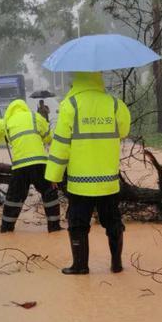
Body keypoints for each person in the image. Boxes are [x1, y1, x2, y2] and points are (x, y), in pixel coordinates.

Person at [45, 72, 130, 275]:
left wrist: (53, 176)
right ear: (98, 79)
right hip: (108, 181)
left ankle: (80, 266)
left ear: (78, 81)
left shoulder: (70, 105)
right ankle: (116, 264)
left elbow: (61, 145)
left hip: (80, 183)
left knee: (77, 223)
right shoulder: (116, 104)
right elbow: (124, 131)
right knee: (113, 221)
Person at [0, 99, 61, 233]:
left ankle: (6, 229)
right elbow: (48, 137)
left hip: (19, 165)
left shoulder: (8, 122)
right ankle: (54, 227)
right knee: (49, 191)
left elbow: (11, 141)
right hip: (39, 162)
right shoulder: (35, 116)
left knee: (14, 197)